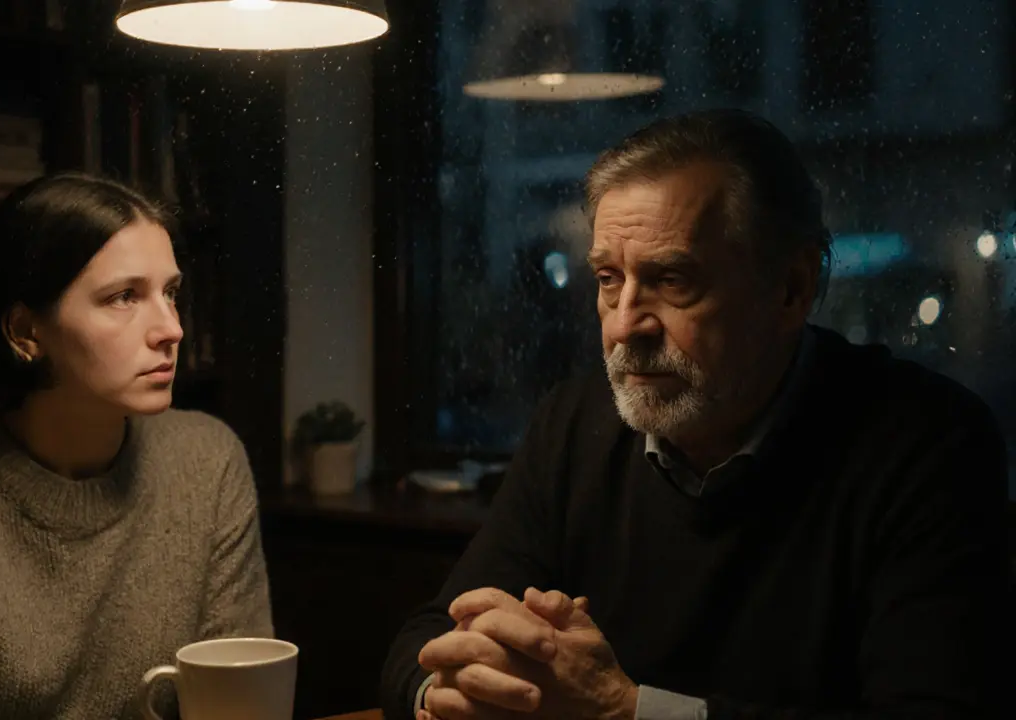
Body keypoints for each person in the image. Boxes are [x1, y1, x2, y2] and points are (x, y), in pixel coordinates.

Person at [381, 109, 1010, 720]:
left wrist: (622, 711)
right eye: (608, 278)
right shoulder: (575, 423)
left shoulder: (931, 443)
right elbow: (430, 635)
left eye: (673, 279)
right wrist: (448, 694)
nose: (624, 324)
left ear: (791, 289)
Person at [0, 173, 273, 720]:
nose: (171, 328)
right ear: (25, 331)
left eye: (171, 293)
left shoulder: (207, 458)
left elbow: (240, 701)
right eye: (123, 297)